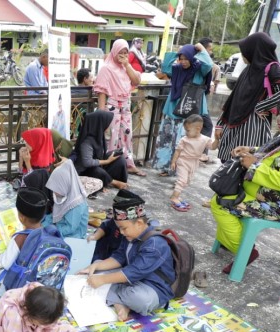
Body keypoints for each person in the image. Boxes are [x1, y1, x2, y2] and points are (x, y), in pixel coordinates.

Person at [211, 96, 280, 274]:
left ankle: (245, 251)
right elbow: (269, 153)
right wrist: (250, 150)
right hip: (265, 196)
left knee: (221, 204)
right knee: (220, 198)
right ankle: (234, 242)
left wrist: (254, 165)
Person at [78, 192, 175, 321]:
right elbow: (120, 256)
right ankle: (119, 300)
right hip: (130, 279)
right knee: (97, 268)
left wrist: (103, 280)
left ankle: (117, 299)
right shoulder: (130, 235)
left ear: (139, 223)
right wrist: (96, 265)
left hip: (152, 286)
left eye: (124, 228)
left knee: (140, 300)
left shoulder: (155, 245)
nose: (122, 232)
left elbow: (133, 272)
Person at [216, 32, 280, 162]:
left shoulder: (272, 68)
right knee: (229, 163)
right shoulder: (249, 69)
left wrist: (262, 105)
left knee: (244, 162)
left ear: (255, 50)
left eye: (245, 51)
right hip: (234, 121)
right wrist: (220, 124)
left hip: (252, 124)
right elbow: (233, 98)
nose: (243, 54)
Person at [152, 43, 213, 175]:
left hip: (188, 112)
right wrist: (178, 52)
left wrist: (202, 49)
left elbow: (209, 64)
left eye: (187, 58)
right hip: (173, 109)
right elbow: (166, 66)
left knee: (182, 143)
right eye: (181, 58)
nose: (184, 62)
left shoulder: (199, 70)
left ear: (193, 57)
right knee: (166, 140)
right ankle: (165, 167)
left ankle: (180, 171)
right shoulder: (177, 69)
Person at [93, 39, 145, 176]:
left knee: (127, 135)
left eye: (125, 52)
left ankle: (128, 164)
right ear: (114, 52)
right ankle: (109, 167)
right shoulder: (106, 68)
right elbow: (102, 91)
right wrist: (102, 111)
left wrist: (127, 64)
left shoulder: (125, 67)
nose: (122, 55)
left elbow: (136, 81)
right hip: (112, 106)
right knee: (112, 138)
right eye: (120, 52)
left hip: (126, 105)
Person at [169, 114, 220, 212]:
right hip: (183, 161)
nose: (186, 132)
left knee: (187, 181)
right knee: (182, 180)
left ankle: (176, 194)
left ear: (198, 128)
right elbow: (178, 151)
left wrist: (217, 140)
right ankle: (174, 197)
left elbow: (213, 147)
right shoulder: (184, 139)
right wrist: (173, 162)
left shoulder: (205, 139)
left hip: (194, 162)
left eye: (188, 130)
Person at [74, 110, 128, 190]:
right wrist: (107, 161)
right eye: (106, 123)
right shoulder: (86, 142)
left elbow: (100, 155)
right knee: (97, 171)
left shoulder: (99, 135)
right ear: (99, 124)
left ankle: (121, 182)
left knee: (120, 160)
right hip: (85, 172)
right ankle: (113, 182)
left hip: (97, 166)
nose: (108, 125)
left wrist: (113, 155)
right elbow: (87, 162)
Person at [0, 187, 48, 270]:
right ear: (42, 216)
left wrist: (0, 255)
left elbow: (5, 264)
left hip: (26, 281)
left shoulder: (20, 238)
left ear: (21, 218)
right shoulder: (48, 232)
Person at [44, 159, 89, 239]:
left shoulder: (76, 204)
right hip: (60, 226)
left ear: (65, 185)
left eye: (56, 188)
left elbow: (70, 228)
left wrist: (50, 230)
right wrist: (43, 223)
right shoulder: (64, 195)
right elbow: (54, 215)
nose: (53, 191)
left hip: (74, 235)